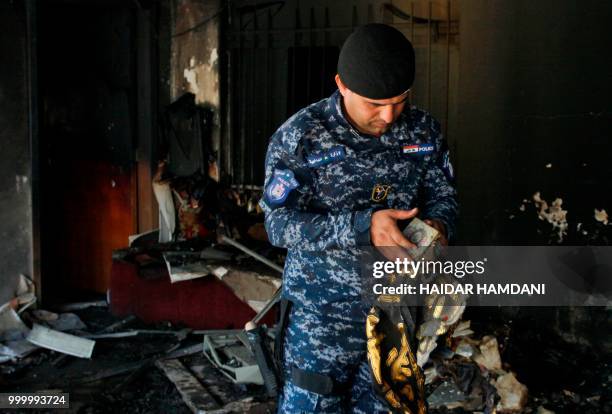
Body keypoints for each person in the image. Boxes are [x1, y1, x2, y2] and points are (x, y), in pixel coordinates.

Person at [259, 23, 458, 413]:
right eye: (374, 104)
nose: (388, 115)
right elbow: (278, 225)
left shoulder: (424, 130)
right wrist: (363, 225)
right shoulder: (302, 137)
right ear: (342, 85)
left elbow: (444, 195)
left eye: (400, 100)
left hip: (395, 314)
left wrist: (439, 226)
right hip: (322, 319)